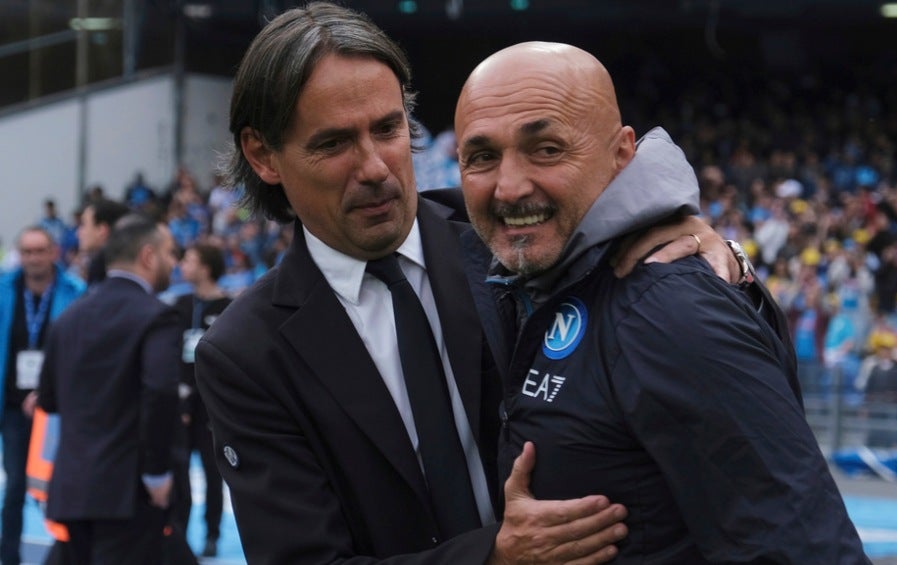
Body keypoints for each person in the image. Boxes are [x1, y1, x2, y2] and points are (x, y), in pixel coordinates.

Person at [194, 4, 735, 564]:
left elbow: (632, 199)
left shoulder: (509, 234)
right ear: (262, 155)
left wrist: (710, 249)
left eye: (388, 129)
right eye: (333, 144)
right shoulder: (246, 354)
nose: (376, 166)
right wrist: (493, 558)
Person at [454, 41, 869, 563]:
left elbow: (805, 549)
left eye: (547, 149)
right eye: (483, 157)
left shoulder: (670, 309)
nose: (509, 187)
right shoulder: (525, 274)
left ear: (622, 153)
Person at [37, 214, 181, 564]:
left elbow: (49, 400)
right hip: (128, 490)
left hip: (73, 487)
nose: (173, 262)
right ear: (148, 256)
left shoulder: (68, 318)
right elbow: (160, 392)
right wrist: (157, 473)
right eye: (169, 253)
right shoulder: (156, 316)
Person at [0, 226, 86, 565]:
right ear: (19, 255)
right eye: (27, 252)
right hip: (11, 407)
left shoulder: (75, 292)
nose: (33, 258)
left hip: (57, 408)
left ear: (54, 252)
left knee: (61, 485)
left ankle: (67, 555)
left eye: (40, 251)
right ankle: (8, 557)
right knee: (16, 484)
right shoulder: (5, 290)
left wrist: (51, 390)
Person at [170, 243, 231, 558]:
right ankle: (178, 533)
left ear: (206, 267)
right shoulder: (178, 305)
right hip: (180, 404)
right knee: (179, 473)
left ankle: (212, 534)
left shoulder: (228, 308)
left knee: (212, 472)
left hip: (211, 406)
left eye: (190, 260)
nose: (182, 264)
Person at [76, 198, 131, 285]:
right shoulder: (96, 270)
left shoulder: (113, 278)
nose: (78, 233)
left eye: (83, 224)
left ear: (102, 231)